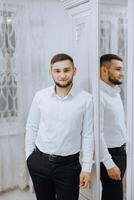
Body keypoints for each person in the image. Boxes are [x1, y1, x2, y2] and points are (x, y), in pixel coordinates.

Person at [25, 53, 94, 200]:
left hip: (69, 167)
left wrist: (87, 168)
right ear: (51, 72)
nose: (62, 75)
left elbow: (88, 134)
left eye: (66, 70)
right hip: (39, 162)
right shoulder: (40, 96)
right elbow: (31, 127)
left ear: (74, 71)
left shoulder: (86, 100)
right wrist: (29, 158)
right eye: (57, 71)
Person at [100, 54, 127, 200]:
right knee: (114, 196)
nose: (122, 73)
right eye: (117, 69)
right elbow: (97, 133)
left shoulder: (115, 92)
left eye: (122, 69)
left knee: (114, 194)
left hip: (121, 152)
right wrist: (109, 164)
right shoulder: (100, 96)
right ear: (104, 71)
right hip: (110, 155)